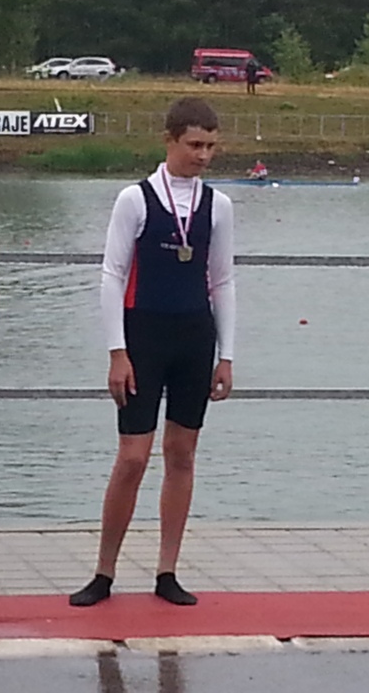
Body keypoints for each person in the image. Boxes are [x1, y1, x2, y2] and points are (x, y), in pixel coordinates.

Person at [70, 97, 235, 609]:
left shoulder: (219, 206)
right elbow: (112, 275)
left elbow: (223, 280)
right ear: (169, 140)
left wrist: (226, 354)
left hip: (195, 338)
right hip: (143, 337)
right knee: (133, 458)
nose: (202, 155)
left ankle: (167, 570)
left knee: (181, 454)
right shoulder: (135, 200)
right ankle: (104, 571)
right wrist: (116, 352)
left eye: (210, 146)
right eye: (194, 145)